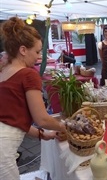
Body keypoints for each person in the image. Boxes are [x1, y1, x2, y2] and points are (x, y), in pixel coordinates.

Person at [0, 17, 66, 179]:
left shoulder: (4, 71)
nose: (39, 57)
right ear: (23, 50)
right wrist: (65, 128)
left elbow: (13, 120)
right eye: (37, 52)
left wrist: (44, 135)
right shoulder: (29, 74)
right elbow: (42, 119)